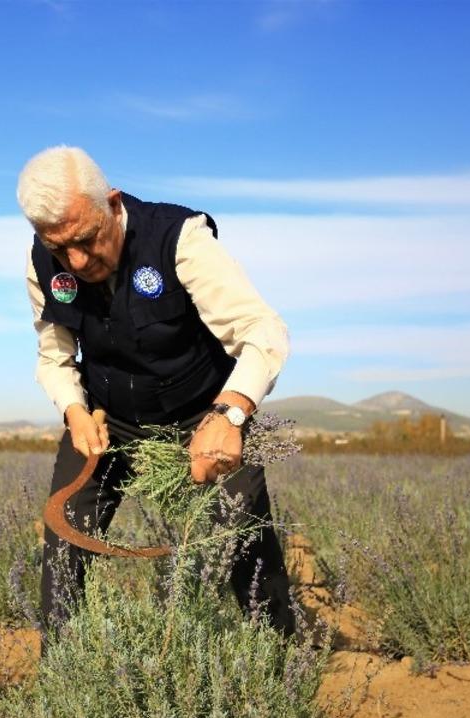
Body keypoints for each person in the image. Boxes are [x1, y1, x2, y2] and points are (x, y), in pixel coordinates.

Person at [18, 145, 295, 641]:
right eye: (60, 248)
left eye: (86, 239)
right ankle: (62, 683)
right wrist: (75, 411)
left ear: (114, 204)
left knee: (242, 539)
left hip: (201, 415)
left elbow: (263, 331)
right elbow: (54, 355)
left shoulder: (180, 238)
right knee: (65, 537)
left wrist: (229, 415)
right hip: (109, 422)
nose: (77, 261)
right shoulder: (42, 264)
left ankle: (280, 661)